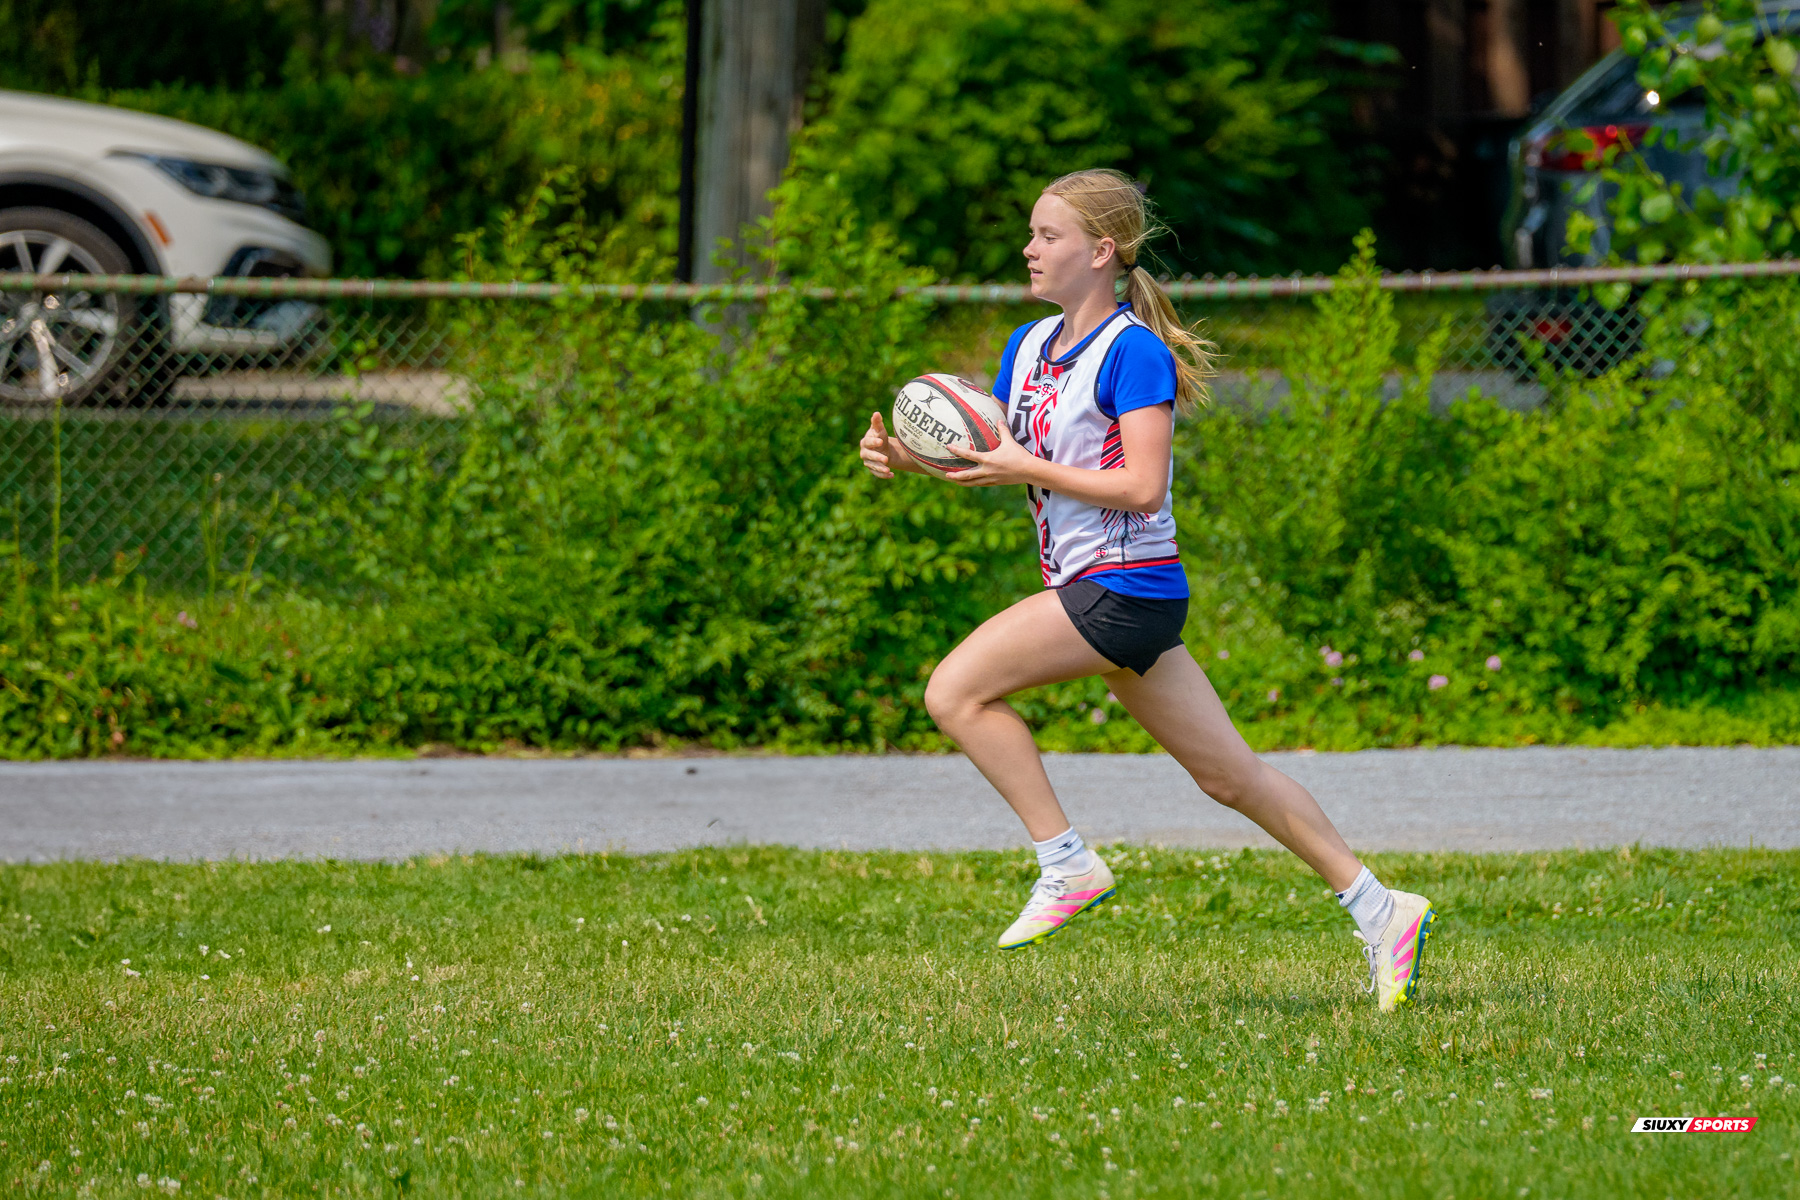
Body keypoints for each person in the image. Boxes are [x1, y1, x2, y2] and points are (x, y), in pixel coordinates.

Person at [856, 168, 1435, 1011]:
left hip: (1125, 588)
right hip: (1104, 591)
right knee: (1231, 777)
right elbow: (1012, 465)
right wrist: (915, 461)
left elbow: (1142, 488)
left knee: (954, 692)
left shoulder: (1133, 352)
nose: (1029, 248)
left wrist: (1022, 465)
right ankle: (1384, 910)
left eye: (1047, 236)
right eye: (1030, 233)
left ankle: (1067, 864)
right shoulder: (1028, 347)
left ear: (1102, 251)